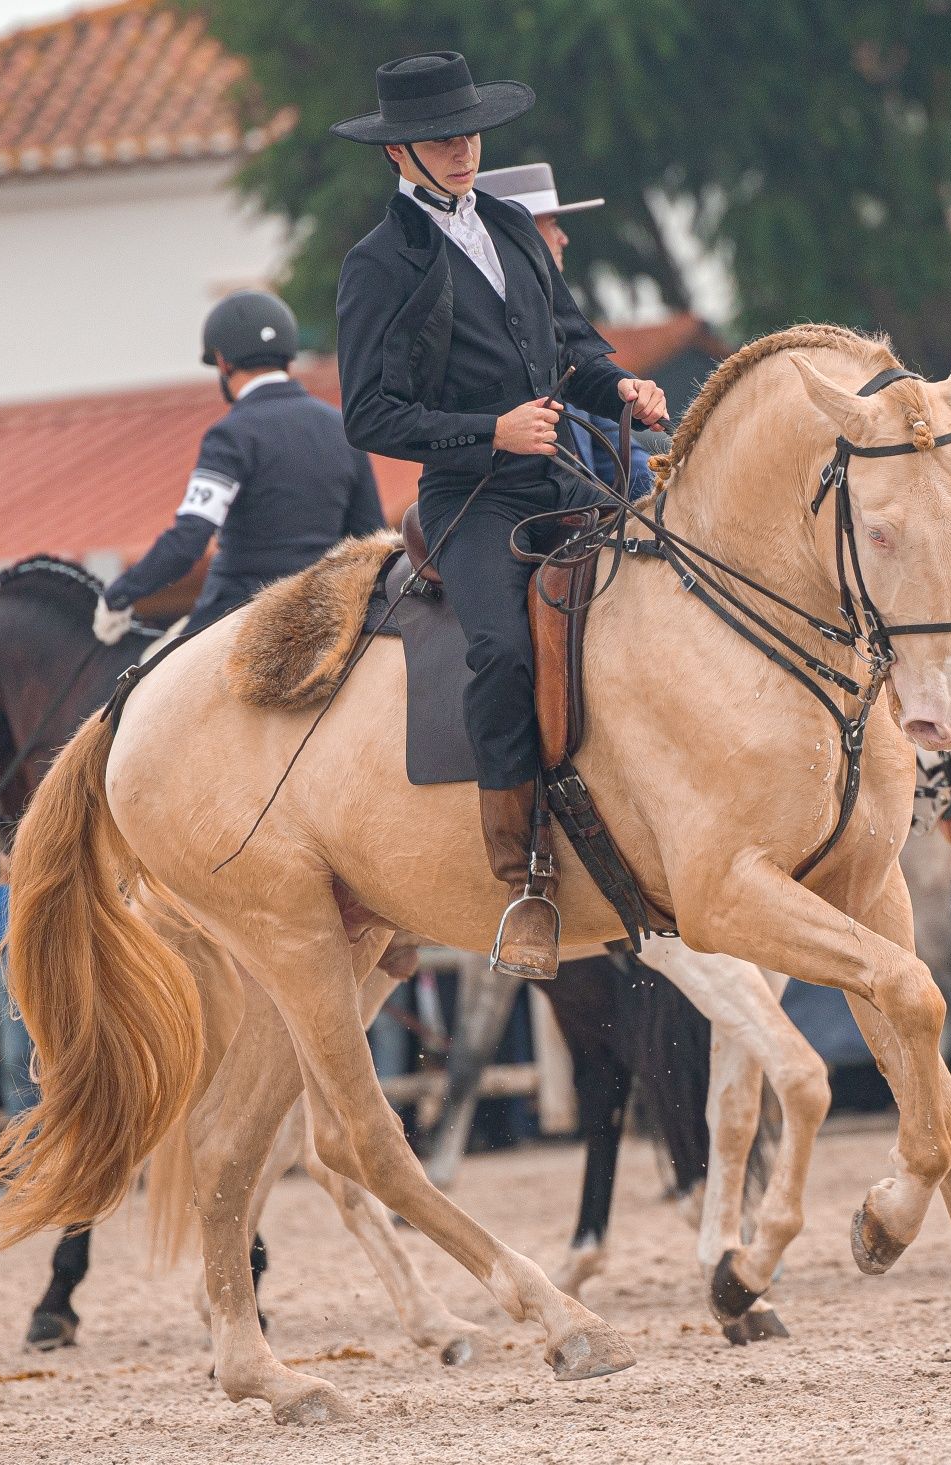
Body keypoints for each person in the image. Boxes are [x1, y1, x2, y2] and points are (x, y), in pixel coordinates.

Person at [332, 52, 667, 980]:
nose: (460, 149)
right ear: (398, 153)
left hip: (565, 469)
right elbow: (369, 414)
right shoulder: (376, 264)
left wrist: (621, 383)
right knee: (502, 652)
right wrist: (490, 431)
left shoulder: (514, 225)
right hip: (470, 495)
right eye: (441, 138)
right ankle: (522, 878)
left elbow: (571, 341)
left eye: (468, 132)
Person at [93, 290, 386, 643]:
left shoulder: (231, 435)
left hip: (240, 612)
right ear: (287, 356)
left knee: (143, 687)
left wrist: (121, 594)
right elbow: (371, 540)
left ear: (223, 361)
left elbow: (189, 541)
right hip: (327, 615)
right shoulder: (340, 428)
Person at [475, 163, 655, 499]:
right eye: (552, 225)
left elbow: (617, 456)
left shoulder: (559, 335)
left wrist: (673, 491)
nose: (563, 238)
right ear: (517, 234)